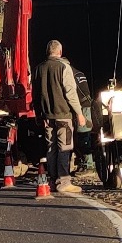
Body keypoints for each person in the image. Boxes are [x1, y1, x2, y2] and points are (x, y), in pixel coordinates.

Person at [33, 39, 84, 195]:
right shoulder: (64, 67)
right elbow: (70, 93)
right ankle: (64, 181)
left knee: (51, 148)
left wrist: (38, 114)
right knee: (65, 147)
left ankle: (52, 179)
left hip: (47, 116)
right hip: (63, 115)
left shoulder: (38, 69)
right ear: (60, 52)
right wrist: (79, 113)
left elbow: (35, 95)